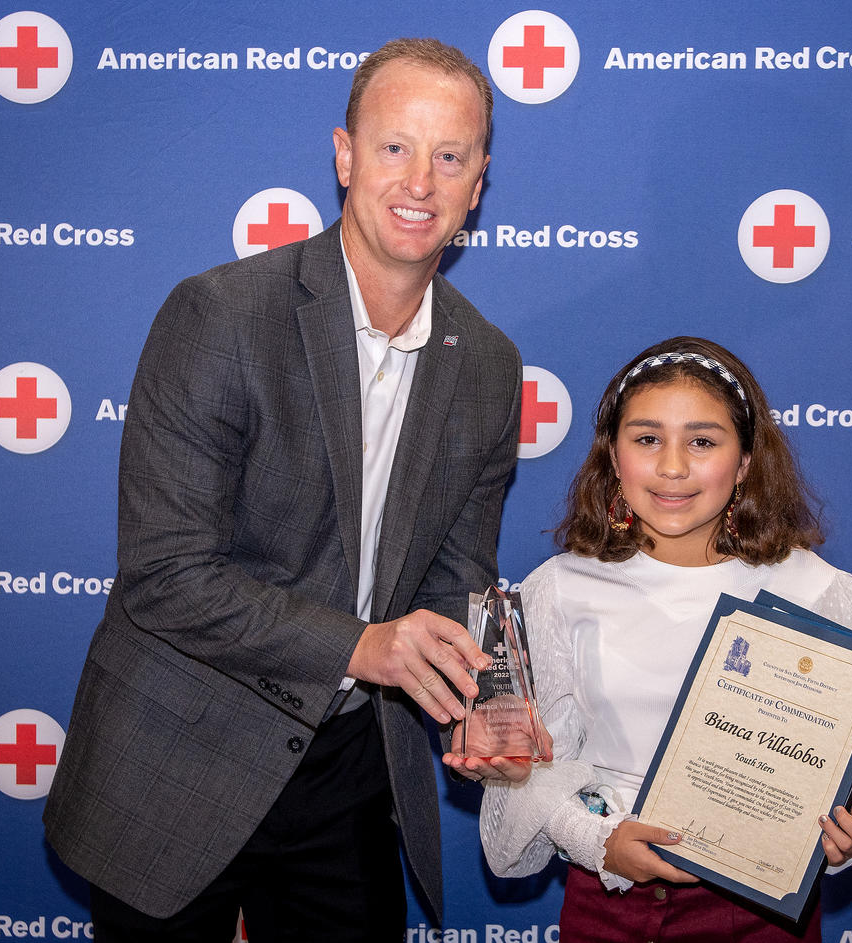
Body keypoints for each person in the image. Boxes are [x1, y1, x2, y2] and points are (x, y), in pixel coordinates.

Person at [44, 38, 530, 942]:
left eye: (450, 156)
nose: (420, 180)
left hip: (347, 765)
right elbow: (167, 575)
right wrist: (368, 647)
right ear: (344, 154)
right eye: (394, 147)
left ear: (479, 183)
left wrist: (481, 698)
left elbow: (456, 584)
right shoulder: (220, 317)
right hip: (183, 744)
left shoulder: (492, 366)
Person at [465, 337, 852, 941]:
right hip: (608, 906)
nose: (673, 467)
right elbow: (533, 769)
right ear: (613, 458)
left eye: (702, 441)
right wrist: (600, 840)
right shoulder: (558, 589)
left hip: (763, 915)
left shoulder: (819, 593)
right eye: (647, 439)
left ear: (745, 461)